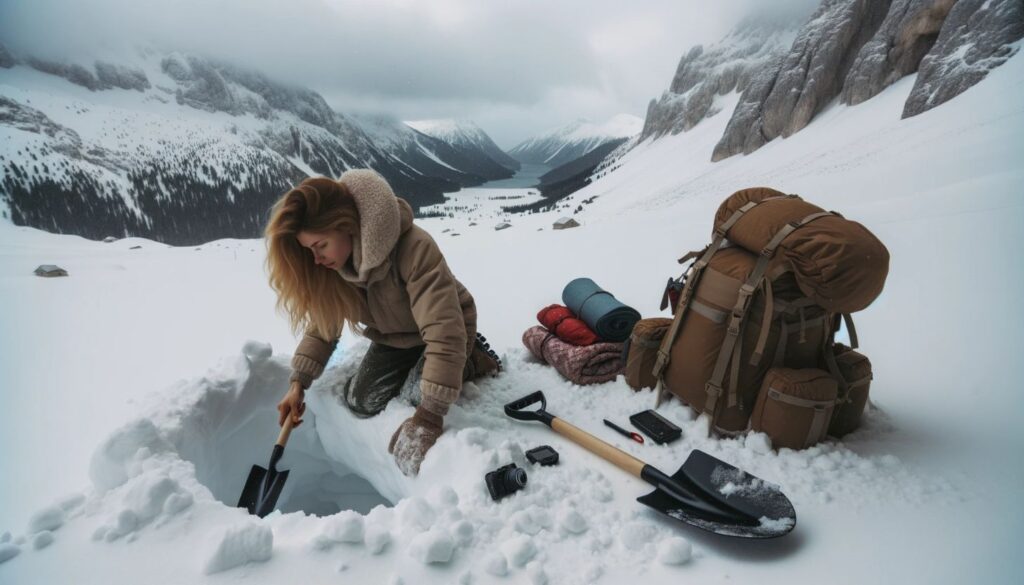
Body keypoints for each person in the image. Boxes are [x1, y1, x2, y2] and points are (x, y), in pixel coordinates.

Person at [263, 169, 501, 476]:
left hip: (450, 328)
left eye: (320, 246)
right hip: (396, 337)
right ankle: (435, 366)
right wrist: (298, 383)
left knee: (419, 396)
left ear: (344, 226)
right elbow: (323, 325)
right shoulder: (334, 267)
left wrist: (429, 416)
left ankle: (472, 359)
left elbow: (444, 329)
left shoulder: (414, 249)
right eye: (309, 250)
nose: (316, 259)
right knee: (359, 400)